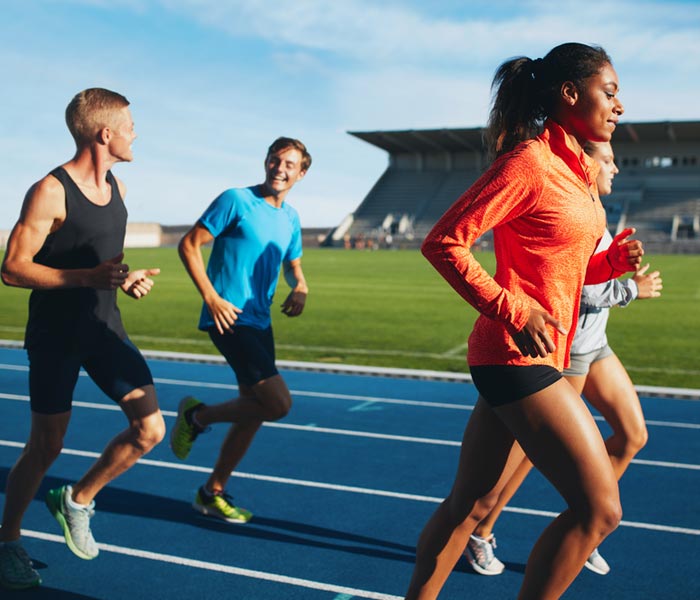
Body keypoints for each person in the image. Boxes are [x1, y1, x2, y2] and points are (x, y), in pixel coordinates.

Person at [405, 43, 644, 600]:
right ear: (569, 94)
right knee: (600, 509)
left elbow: (561, 267)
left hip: (534, 358)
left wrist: (610, 263)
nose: (619, 105)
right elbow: (443, 242)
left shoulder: (576, 171)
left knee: (472, 505)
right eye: (609, 92)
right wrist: (513, 308)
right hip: (515, 357)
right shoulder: (530, 162)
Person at [463, 141, 663, 578]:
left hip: (597, 344)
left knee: (632, 436)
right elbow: (577, 288)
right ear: (586, 162)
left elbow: (592, 275)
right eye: (608, 160)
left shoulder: (598, 215)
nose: (615, 168)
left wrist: (616, 261)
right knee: (530, 456)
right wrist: (632, 290)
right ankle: (484, 531)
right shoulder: (565, 202)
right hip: (565, 349)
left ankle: (585, 524)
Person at [0, 88, 165, 590]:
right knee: (47, 445)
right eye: (131, 125)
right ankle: (7, 541)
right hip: (55, 336)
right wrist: (85, 279)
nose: (137, 134)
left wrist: (124, 278)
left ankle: (77, 500)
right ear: (105, 133)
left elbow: (101, 264)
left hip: (104, 327)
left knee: (150, 429)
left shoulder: (117, 188)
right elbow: (11, 269)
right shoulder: (49, 190)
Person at [172, 137, 311, 523]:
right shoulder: (236, 200)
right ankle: (195, 417)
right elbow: (189, 244)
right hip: (229, 317)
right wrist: (212, 297)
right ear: (266, 162)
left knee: (254, 410)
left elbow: (292, 263)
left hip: (261, 321)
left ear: (301, 173)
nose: (280, 169)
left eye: (290, 164)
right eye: (275, 160)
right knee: (278, 404)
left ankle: (210, 492)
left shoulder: (291, 217)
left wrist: (299, 285)